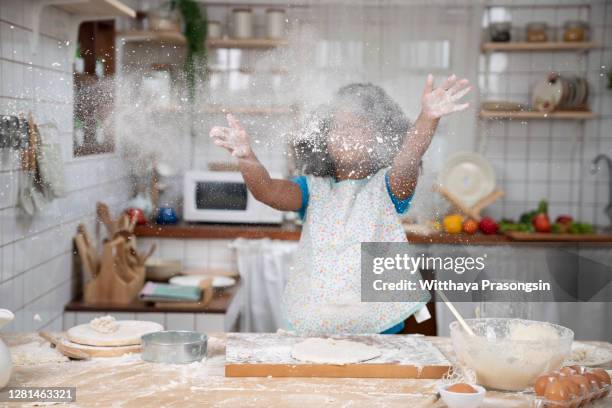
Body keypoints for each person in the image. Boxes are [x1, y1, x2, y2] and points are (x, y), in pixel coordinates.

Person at [210, 74, 472, 335]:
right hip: (316, 321)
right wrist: (247, 158)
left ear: (381, 137)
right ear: (323, 138)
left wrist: (427, 118)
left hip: (377, 327)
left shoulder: (388, 187)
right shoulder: (312, 188)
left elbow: (409, 157)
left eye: (358, 126)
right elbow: (267, 190)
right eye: (338, 126)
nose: (346, 133)